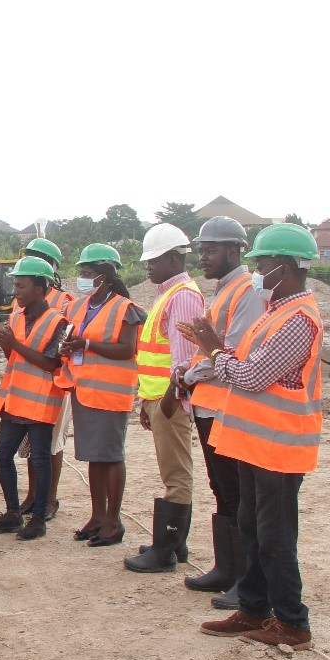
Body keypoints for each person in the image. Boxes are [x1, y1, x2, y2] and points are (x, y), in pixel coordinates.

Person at [193, 223, 324, 650]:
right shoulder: (275, 311)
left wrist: (215, 351)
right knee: (251, 525)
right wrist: (222, 355)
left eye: (262, 262)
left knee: (275, 537)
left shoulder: (299, 319)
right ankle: (253, 608)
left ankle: (291, 622)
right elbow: (244, 367)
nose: (257, 270)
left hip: (279, 447)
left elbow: (251, 375)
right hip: (254, 444)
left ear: (282, 267)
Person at [178, 217, 263, 608]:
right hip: (208, 405)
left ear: (234, 250)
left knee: (237, 494)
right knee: (223, 491)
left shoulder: (245, 291)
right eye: (201, 250)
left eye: (210, 250)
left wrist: (190, 373)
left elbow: (229, 351)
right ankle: (226, 570)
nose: (203, 257)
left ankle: (245, 580)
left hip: (225, 406)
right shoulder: (224, 290)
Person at [124, 223, 204, 573]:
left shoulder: (183, 296)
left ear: (174, 258)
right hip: (158, 397)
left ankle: (167, 549)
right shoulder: (167, 294)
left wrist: (173, 396)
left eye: (153, 260)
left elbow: (183, 357)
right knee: (171, 470)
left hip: (170, 399)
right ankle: (174, 543)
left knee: (176, 473)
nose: (148, 267)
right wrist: (147, 398)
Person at [57, 244, 143, 547]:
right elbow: (70, 337)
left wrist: (87, 345)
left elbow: (127, 349)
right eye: (81, 272)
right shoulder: (80, 306)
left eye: (88, 273)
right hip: (85, 390)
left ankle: (113, 520)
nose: (82, 278)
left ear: (104, 276)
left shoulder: (125, 308)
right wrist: (69, 347)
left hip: (110, 394)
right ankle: (97, 515)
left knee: (111, 456)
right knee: (94, 456)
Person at [0, 256, 70, 541]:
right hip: (17, 398)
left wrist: (14, 344)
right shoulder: (16, 316)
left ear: (40, 289)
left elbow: (51, 363)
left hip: (42, 400)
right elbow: (15, 358)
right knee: (2, 454)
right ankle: (12, 513)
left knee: (41, 459)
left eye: (21, 286)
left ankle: (39, 518)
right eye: (15, 285)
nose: (15, 291)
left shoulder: (58, 322)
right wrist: (5, 345)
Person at [18, 237, 73, 521]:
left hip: (55, 384)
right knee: (31, 444)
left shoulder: (63, 302)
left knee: (52, 444)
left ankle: (49, 499)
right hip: (28, 386)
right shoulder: (23, 297)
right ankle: (33, 495)